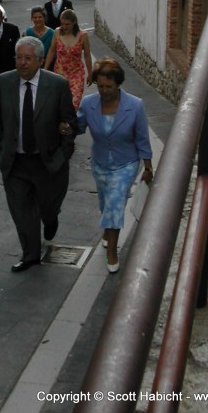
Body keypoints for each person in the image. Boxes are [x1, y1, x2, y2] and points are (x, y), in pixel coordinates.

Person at [0, 36, 77, 273]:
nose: (22, 63)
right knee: (22, 211)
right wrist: (3, 148)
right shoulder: (4, 82)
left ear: (40, 60)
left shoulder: (57, 85)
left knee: (48, 207)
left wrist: (61, 156)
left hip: (47, 162)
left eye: (28, 58)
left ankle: (51, 219)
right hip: (16, 162)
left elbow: (69, 125)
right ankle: (30, 255)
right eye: (19, 57)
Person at [76, 57, 153, 273]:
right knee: (105, 201)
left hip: (126, 162)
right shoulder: (88, 104)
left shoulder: (135, 106)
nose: (104, 91)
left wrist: (147, 167)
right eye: (100, 86)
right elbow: (78, 127)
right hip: (100, 162)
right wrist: (66, 127)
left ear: (118, 83)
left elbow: (142, 138)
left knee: (116, 201)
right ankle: (107, 231)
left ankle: (112, 250)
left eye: (108, 86)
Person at [45, 8, 93, 110]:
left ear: (74, 22)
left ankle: (70, 124)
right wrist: (45, 68)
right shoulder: (57, 32)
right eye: (62, 24)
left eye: (67, 24)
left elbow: (87, 55)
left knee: (73, 103)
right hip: (60, 73)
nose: (64, 27)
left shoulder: (83, 35)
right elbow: (52, 51)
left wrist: (90, 73)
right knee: (59, 103)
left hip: (76, 73)